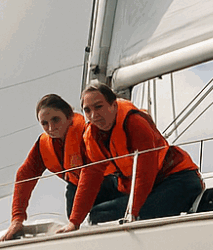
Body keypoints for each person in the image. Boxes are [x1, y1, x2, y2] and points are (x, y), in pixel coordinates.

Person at [61, 83, 203, 233]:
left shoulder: (134, 122)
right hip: (149, 188)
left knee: (129, 213)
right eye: (87, 110)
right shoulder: (92, 136)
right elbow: (90, 176)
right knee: (98, 214)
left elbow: (145, 171)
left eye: (99, 107)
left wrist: (133, 213)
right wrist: (74, 222)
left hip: (178, 180)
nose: (94, 115)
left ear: (113, 105)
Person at [1, 94, 123, 241]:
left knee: (100, 215)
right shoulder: (43, 145)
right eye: (44, 123)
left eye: (56, 120)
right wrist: (17, 218)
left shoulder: (89, 131)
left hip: (113, 184)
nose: (51, 128)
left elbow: (91, 173)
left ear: (69, 116)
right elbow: (24, 176)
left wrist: (75, 221)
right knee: (77, 208)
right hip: (78, 190)